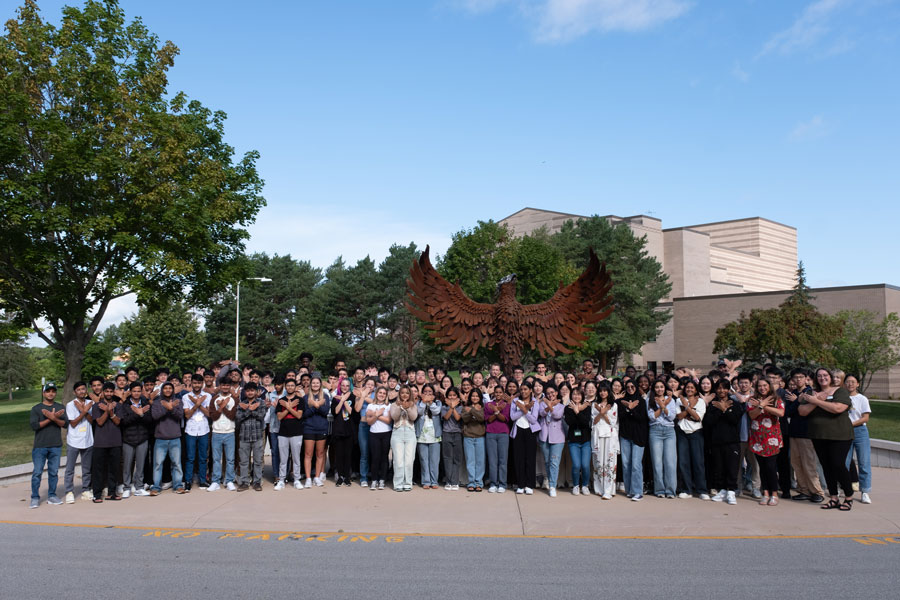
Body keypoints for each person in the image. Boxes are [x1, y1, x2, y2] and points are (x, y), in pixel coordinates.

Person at [799, 367, 855, 511]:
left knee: (838, 465)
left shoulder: (840, 391)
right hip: (819, 436)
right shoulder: (812, 393)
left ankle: (848, 497)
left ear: (830, 377)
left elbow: (837, 408)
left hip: (840, 436)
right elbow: (802, 411)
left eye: (825, 375)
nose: (822, 378)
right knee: (827, 467)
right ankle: (834, 498)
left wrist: (817, 401)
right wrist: (814, 400)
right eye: (819, 376)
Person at [783, 368, 825, 503]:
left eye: (801, 377)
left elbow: (805, 412)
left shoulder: (811, 392)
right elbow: (787, 412)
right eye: (796, 377)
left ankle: (817, 491)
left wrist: (798, 401)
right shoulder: (792, 393)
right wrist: (797, 400)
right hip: (794, 432)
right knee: (796, 463)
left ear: (806, 378)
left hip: (807, 433)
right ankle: (804, 490)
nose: (798, 379)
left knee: (809, 463)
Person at [704, 379, 743, 505]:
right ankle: (722, 490)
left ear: (728, 389)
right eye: (719, 388)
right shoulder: (712, 404)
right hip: (716, 441)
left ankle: (731, 490)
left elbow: (734, 420)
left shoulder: (734, 403)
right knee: (719, 467)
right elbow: (708, 422)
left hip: (732, 441)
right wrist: (720, 409)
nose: (722, 391)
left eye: (724, 388)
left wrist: (725, 410)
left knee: (731, 466)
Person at [29, 383, 68, 508]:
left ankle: (52, 495)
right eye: (48, 391)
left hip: (55, 445)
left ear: (56, 393)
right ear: (43, 393)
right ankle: (35, 497)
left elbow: (65, 424)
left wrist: (54, 418)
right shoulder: (36, 408)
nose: (50, 393)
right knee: (37, 473)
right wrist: (51, 418)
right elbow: (35, 426)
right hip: (40, 446)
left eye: (53, 391)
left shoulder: (60, 407)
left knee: (53, 472)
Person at [746, 378, 784, 506]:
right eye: (760, 386)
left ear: (769, 387)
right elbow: (752, 415)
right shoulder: (752, 400)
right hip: (757, 438)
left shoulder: (776, 399)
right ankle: (765, 492)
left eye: (765, 385)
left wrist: (764, 405)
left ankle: (774, 493)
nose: (762, 388)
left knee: (771, 467)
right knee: (762, 467)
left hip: (772, 438)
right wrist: (760, 405)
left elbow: (781, 413)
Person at [150, 382, 186, 495]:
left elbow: (180, 415)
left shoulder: (178, 402)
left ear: (173, 390)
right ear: (162, 390)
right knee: (158, 464)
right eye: (165, 388)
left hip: (175, 437)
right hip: (160, 438)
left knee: (176, 463)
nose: (168, 390)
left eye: (170, 388)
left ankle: (178, 485)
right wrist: (166, 408)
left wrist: (171, 408)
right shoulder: (156, 402)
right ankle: (156, 487)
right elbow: (155, 416)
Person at [675, 380, 709, 500]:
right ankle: (686, 489)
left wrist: (686, 407)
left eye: (692, 388)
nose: (689, 389)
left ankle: (702, 490)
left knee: (698, 462)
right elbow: (679, 416)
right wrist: (689, 409)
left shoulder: (700, 402)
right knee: (683, 462)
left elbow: (697, 417)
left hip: (696, 433)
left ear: (696, 389)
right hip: (682, 433)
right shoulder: (679, 400)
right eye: (687, 387)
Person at [91, 382, 124, 503]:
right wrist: (107, 411)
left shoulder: (118, 406)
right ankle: (97, 494)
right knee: (98, 469)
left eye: (111, 391)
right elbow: (99, 422)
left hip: (115, 441)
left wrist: (111, 412)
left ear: (113, 392)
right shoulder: (96, 406)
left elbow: (117, 422)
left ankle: (112, 493)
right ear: (103, 393)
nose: (109, 394)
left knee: (114, 468)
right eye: (107, 391)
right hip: (100, 442)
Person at [617, 381, 648, 501]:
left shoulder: (641, 402)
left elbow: (642, 418)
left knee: (636, 464)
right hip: (625, 435)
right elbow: (620, 416)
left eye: (632, 386)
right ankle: (629, 490)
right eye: (628, 387)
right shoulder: (621, 402)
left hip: (638, 436)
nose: (630, 389)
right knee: (626, 464)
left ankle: (637, 491)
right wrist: (628, 409)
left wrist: (631, 409)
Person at [120, 382, 152, 498]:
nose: (136, 393)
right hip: (128, 439)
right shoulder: (125, 404)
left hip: (142, 438)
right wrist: (138, 413)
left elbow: (149, 420)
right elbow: (124, 421)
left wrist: (142, 414)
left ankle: (139, 487)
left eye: (139, 391)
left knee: (140, 465)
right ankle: (127, 487)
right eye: (134, 391)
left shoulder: (145, 403)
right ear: (130, 392)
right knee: (127, 465)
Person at [63, 381, 94, 503]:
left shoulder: (91, 403)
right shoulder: (71, 405)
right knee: (70, 468)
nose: (81, 391)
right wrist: (84, 411)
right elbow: (73, 423)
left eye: (83, 389)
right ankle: (69, 491)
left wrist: (84, 410)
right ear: (74, 392)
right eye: (79, 390)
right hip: (74, 440)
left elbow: (92, 421)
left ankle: (86, 489)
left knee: (87, 468)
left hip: (88, 439)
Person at [844, 374, 872, 504]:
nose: (850, 384)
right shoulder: (841, 398)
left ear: (857, 384)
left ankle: (865, 491)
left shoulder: (862, 399)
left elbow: (865, 418)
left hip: (860, 431)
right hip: (844, 433)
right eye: (847, 382)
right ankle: (843, 488)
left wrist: (850, 425)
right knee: (844, 462)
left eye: (852, 382)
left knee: (864, 463)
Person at [510, 381, 541, 495]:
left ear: (530, 390)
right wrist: (525, 408)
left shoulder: (535, 403)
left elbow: (533, 419)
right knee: (519, 458)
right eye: (521, 389)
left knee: (530, 458)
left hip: (530, 431)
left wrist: (524, 409)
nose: (523, 391)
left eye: (526, 389)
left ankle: (529, 484)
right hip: (518, 430)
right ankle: (521, 484)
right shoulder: (515, 401)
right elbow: (513, 417)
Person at [648, 379, 678, 499]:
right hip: (655, 431)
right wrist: (662, 406)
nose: (659, 389)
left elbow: (671, 417)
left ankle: (670, 490)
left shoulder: (671, 400)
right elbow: (651, 417)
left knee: (670, 463)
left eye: (661, 387)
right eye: (657, 387)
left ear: (665, 388)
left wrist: (662, 406)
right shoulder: (649, 400)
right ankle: (659, 489)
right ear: (654, 389)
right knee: (657, 463)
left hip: (669, 432)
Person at [182, 374, 211, 490]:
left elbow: (209, 414)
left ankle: (202, 480)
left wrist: (197, 403)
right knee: (190, 457)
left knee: (203, 457)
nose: (197, 385)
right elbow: (187, 415)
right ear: (191, 383)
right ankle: (188, 481)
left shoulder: (207, 396)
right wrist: (197, 404)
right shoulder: (186, 397)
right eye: (195, 383)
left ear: (202, 384)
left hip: (204, 429)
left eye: (199, 383)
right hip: (191, 430)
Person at [207, 380, 237, 492]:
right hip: (216, 432)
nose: (225, 386)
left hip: (229, 432)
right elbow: (213, 417)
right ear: (219, 386)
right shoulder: (214, 399)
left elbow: (232, 416)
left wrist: (223, 406)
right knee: (216, 459)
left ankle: (229, 480)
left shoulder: (234, 399)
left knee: (230, 459)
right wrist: (221, 407)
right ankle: (215, 481)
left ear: (230, 386)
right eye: (223, 384)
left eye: (227, 384)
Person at [590, 381, 618, 499]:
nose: (603, 393)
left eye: (605, 390)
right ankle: (599, 488)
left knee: (609, 462)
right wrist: (600, 412)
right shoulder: (594, 404)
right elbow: (594, 421)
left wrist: (603, 412)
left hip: (610, 435)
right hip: (597, 434)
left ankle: (608, 489)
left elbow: (612, 422)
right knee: (598, 461)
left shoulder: (614, 405)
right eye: (601, 391)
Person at [235, 384, 266, 491]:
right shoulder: (241, 404)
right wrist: (250, 409)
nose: (250, 393)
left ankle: (257, 482)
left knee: (258, 461)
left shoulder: (261, 402)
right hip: (244, 437)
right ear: (245, 392)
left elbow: (261, 416)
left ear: (256, 392)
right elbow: (238, 418)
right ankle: (244, 482)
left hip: (257, 436)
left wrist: (249, 410)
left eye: (252, 391)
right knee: (243, 462)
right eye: (248, 391)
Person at [275, 378, 304, 490]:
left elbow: (299, 415)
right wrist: (289, 407)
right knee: (283, 459)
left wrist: (287, 407)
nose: (290, 387)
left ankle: (296, 479)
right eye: (288, 385)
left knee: (296, 458)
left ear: (295, 387)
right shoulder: (281, 400)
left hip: (296, 432)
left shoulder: (300, 400)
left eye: (292, 385)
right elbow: (279, 417)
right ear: (285, 387)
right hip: (283, 433)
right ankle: (281, 480)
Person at [564, 387, 593, 496]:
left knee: (585, 465)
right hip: (573, 441)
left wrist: (577, 411)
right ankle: (576, 485)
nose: (576, 396)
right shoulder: (567, 408)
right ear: (571, 395)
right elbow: (570, 422)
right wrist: (577, 411)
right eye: (574, 394)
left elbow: (585, 422)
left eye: (579, 394)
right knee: (576, 465)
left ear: (582, 396)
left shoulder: (587, 407)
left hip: (586, 441)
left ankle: (585, 485)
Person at [302, 376, 330, 487]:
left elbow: (325, 412)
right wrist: (316, 405)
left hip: (322, 428)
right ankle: (308, 478)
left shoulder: (326, 397)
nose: (315, 385)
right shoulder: (305, 398)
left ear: (320, 384)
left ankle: (317, 477)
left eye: (317, 383)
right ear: (310, 384)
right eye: (313, 383)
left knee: (320, 454)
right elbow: (305, 414)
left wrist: (314, 405)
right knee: (308, 454)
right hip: (309, 428)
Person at [538, 384, 565, 497]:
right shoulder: (542, 404)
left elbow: (557, 415)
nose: (551, 394)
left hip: (557, 437)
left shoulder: (561, 406)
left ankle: (552, 486)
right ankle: (550, 481)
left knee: (554, 462)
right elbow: (541, 413)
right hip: (544, 436)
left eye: (552, 392)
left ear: (557, 393)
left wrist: (550, 406)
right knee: (547, 462)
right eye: (548, 393)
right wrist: (549, 405)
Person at [390, 386, 419, 491]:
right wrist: (400, 406)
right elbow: (394, 416)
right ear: (399, 394)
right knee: (398, 460)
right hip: (397, 433)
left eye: (407, 393)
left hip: (410, 433)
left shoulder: (413, 405)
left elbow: (413, 417)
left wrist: (408, 407)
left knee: (409, 460)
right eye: (402, 393)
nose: (405, 395)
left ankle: (407, 483)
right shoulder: (394, 405)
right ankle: (398, 483)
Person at [484, 382, 511, 493]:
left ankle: (502, 484)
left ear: (503, 393)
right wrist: (496, 412)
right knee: (492, 460)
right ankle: (493, 483)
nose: (498, 394)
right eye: (496, 392)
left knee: (502, 460)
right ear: (493, 393)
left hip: (503, 433)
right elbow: (488, 420)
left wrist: (496, 412)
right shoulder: (488, 405)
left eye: (500, 392)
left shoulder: (507, 405)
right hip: (490, 433)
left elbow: (504, 419)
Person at [416, 384, 442, 489]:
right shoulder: (419, 403)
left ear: (433, 394)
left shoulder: (437, 403)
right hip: (422, 435)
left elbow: (436, 412)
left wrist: (430, 402)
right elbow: (419, 412)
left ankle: (434, 481)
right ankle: (426, 481)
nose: (427, 394)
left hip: (434, 435)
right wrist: (423, 401)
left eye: (430, 392)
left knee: (434, 460)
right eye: (425, 392)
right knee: (423, 459)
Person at [366, 386, 392, 490]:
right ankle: (374, 480)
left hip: (386, 433)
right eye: (380, 393)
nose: (381, 395)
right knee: (375, 457)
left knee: (384, 457)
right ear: (376, 394)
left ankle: (382, 480)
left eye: (384, 393)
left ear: (386, 395)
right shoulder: (370, 405)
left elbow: (388, 421)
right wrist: (377, 414)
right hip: (374, 433)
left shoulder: (389, 406)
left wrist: (376, 415)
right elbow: (369, 422)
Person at [331, 377, 356, 487]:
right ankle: (340, 476)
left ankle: (347, 476)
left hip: (349, 429)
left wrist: (344, 400)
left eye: (347, 385)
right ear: (340, 386)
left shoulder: (353, 397)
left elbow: (351, 412)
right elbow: (336, 411)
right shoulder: (335, 398)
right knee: (339, 454)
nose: (345, 387)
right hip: (338, 429)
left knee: (348, 454)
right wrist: (341, 399)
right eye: (343, 385)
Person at [461, 388, 486, 492]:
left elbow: (481, 418)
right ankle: (471, 482)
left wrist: (472, 411)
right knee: (470, 461)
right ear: (470, 397)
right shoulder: (464, 408)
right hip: (468, 437)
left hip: (480, 437)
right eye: (473, 396)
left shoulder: (483, 407)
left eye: (477, 396)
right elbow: (465, 419)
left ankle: (479, 482)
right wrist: (471, 410)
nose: (475, 398)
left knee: (480, 461)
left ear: (480, 397)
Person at [441, 387, 464, 490]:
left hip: (457, 434)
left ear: (458, 397)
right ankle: (448, 481)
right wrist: (451, 407)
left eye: (454, 395)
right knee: (447, 458)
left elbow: (458, 418)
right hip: (446, 433)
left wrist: (454, 407)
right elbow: (446, 417)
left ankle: (455, 481)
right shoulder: (443, 407)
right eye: (449, 395)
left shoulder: (460, 408)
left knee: (457, 458)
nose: (452, 397)